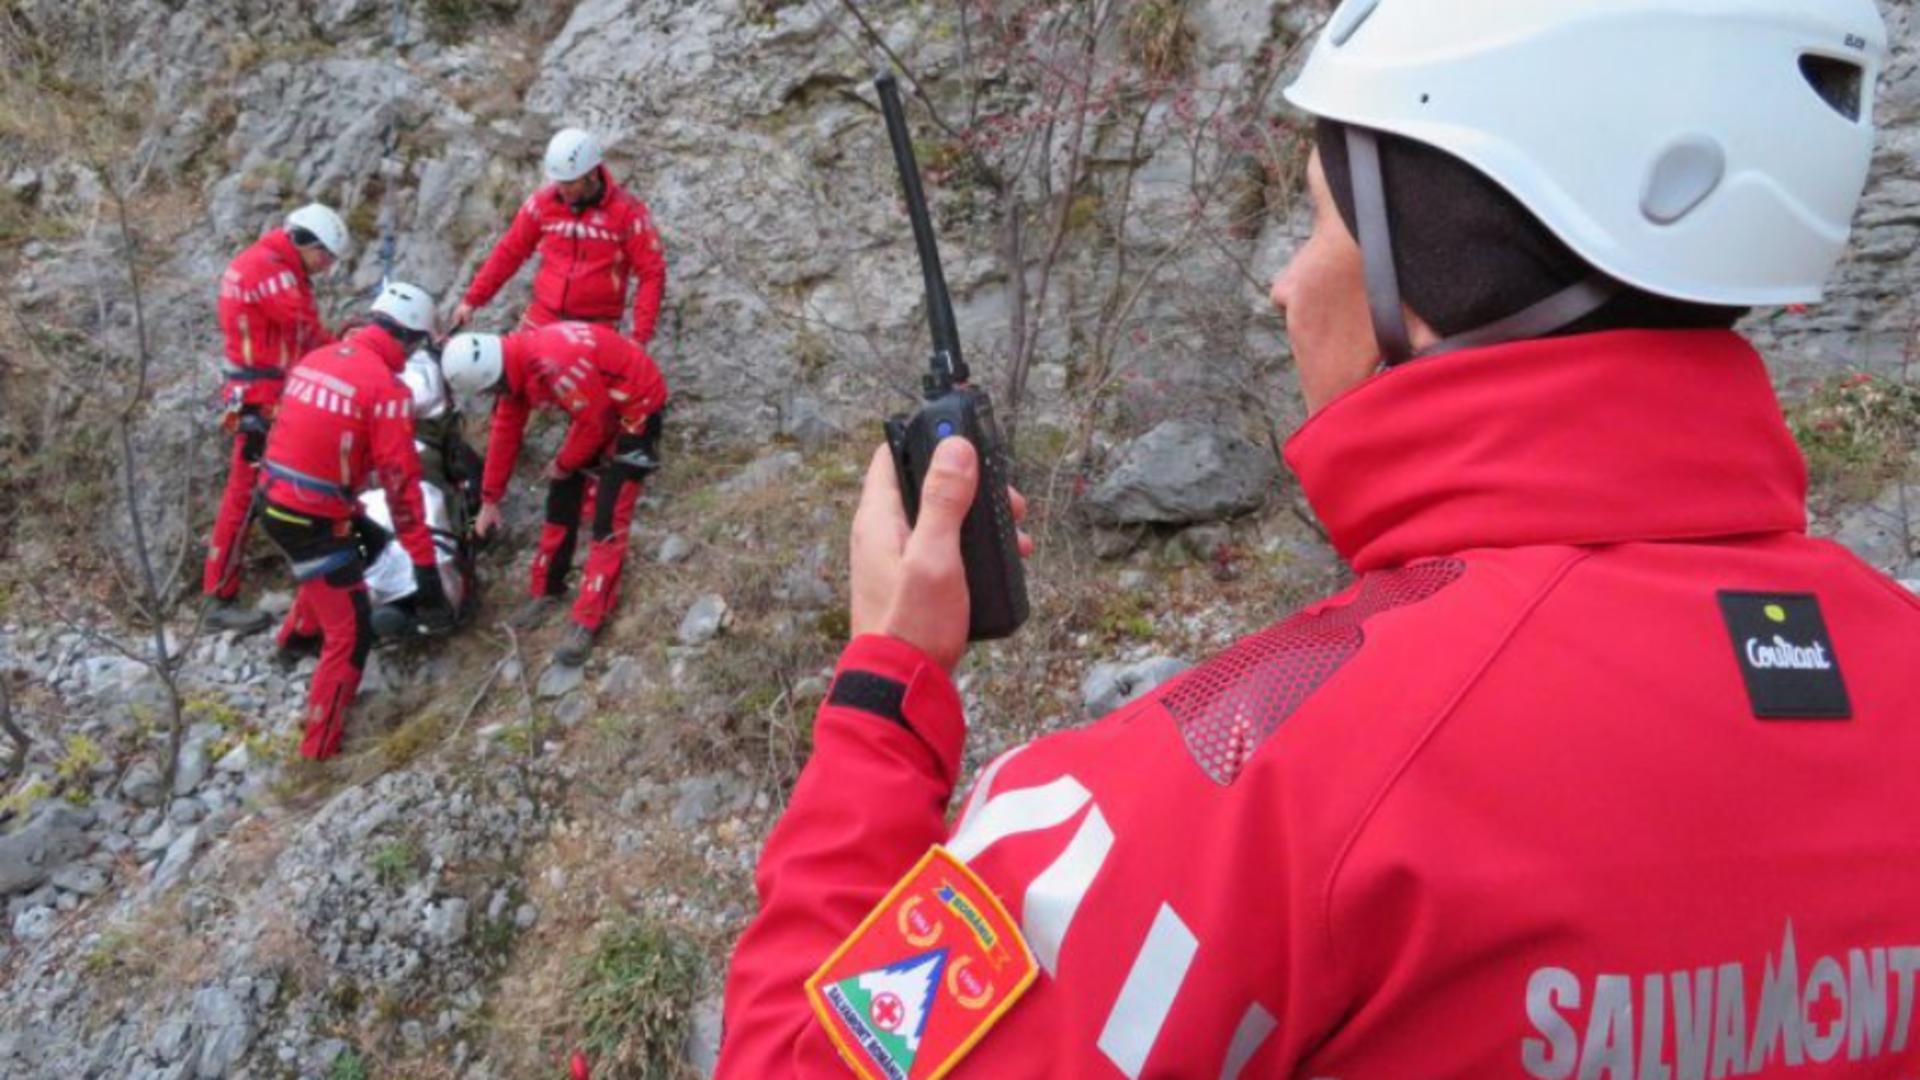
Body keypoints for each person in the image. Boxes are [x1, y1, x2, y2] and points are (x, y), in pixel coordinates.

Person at [718, 2, 1920, 1077]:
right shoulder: (1897, 660)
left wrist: (884, 686)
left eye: (1318, 217)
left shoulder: (1240, 780)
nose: (1287, 286)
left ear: (1428, 267)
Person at [259, 282, 454, 760]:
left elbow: (310, 436)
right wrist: (425, 570)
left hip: (275, 500)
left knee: (348, 559)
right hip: (313, 520)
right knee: (352, 633)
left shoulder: (319, 358)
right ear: (408, 338)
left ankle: (294, 641)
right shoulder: (386, 390)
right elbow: (401, 488)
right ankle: (317, 750)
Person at [442, 322, 668, 665]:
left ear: (493, 377)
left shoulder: (554, 363)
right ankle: (547, 588)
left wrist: (564, 462)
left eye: (489, 391)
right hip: (603, 402)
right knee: (562, 492)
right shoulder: (516, 362)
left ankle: (588, 620)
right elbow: (505, 431)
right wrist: (489, 499)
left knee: (609, 515)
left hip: (637, 406)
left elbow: (597, 425)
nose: (491, 397)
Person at [202, 203, 348, 633]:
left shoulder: (264, 262)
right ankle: (219, 597)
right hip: (263, 400)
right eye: (325, 257)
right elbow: (304, 330)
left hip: (255, 395)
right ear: (308, 244)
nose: (326, 267)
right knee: (249, 496)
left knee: (249, 495)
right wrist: (347, 357)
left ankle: (228, 592)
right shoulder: (273, 274)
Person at [448, 128, 667, 342]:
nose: (562, 189)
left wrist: (639, 338)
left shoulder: (629, 213)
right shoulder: (543, 204)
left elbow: (651, 274)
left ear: (592, 174)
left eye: (569, 182)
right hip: (543, 318)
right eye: (558, 181)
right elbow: (510, 252)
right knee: (511, 364)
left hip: (595, 328)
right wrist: (472, 300)